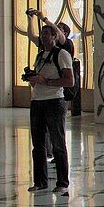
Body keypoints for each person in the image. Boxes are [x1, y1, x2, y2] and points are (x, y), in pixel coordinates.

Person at [26, 23, 73, 197]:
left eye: (48, 33)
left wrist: (46, 82)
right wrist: (33, 79)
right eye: (42, 33)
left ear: (55, 37)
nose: (44, 36)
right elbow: (38, 80)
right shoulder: (39, 56)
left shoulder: (62, 54)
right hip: (37, 101)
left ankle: (62, 182)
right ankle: (40, 181)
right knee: (38, 144)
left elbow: (69, 81)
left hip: (54, 101)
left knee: (58, 144)